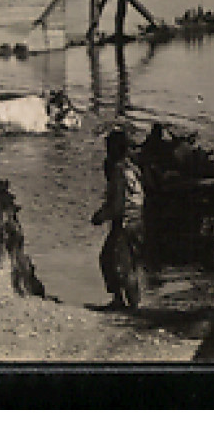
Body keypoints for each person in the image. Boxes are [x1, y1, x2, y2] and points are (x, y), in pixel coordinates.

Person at [91, 126, 145, 310]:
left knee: (117, 262)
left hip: (125, 221)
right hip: (137, 220)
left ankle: (129, 305)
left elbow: (118, 205)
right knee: (123, 262)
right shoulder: (132, 168)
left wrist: (100, 216)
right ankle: (128, 303)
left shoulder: (118, 170)